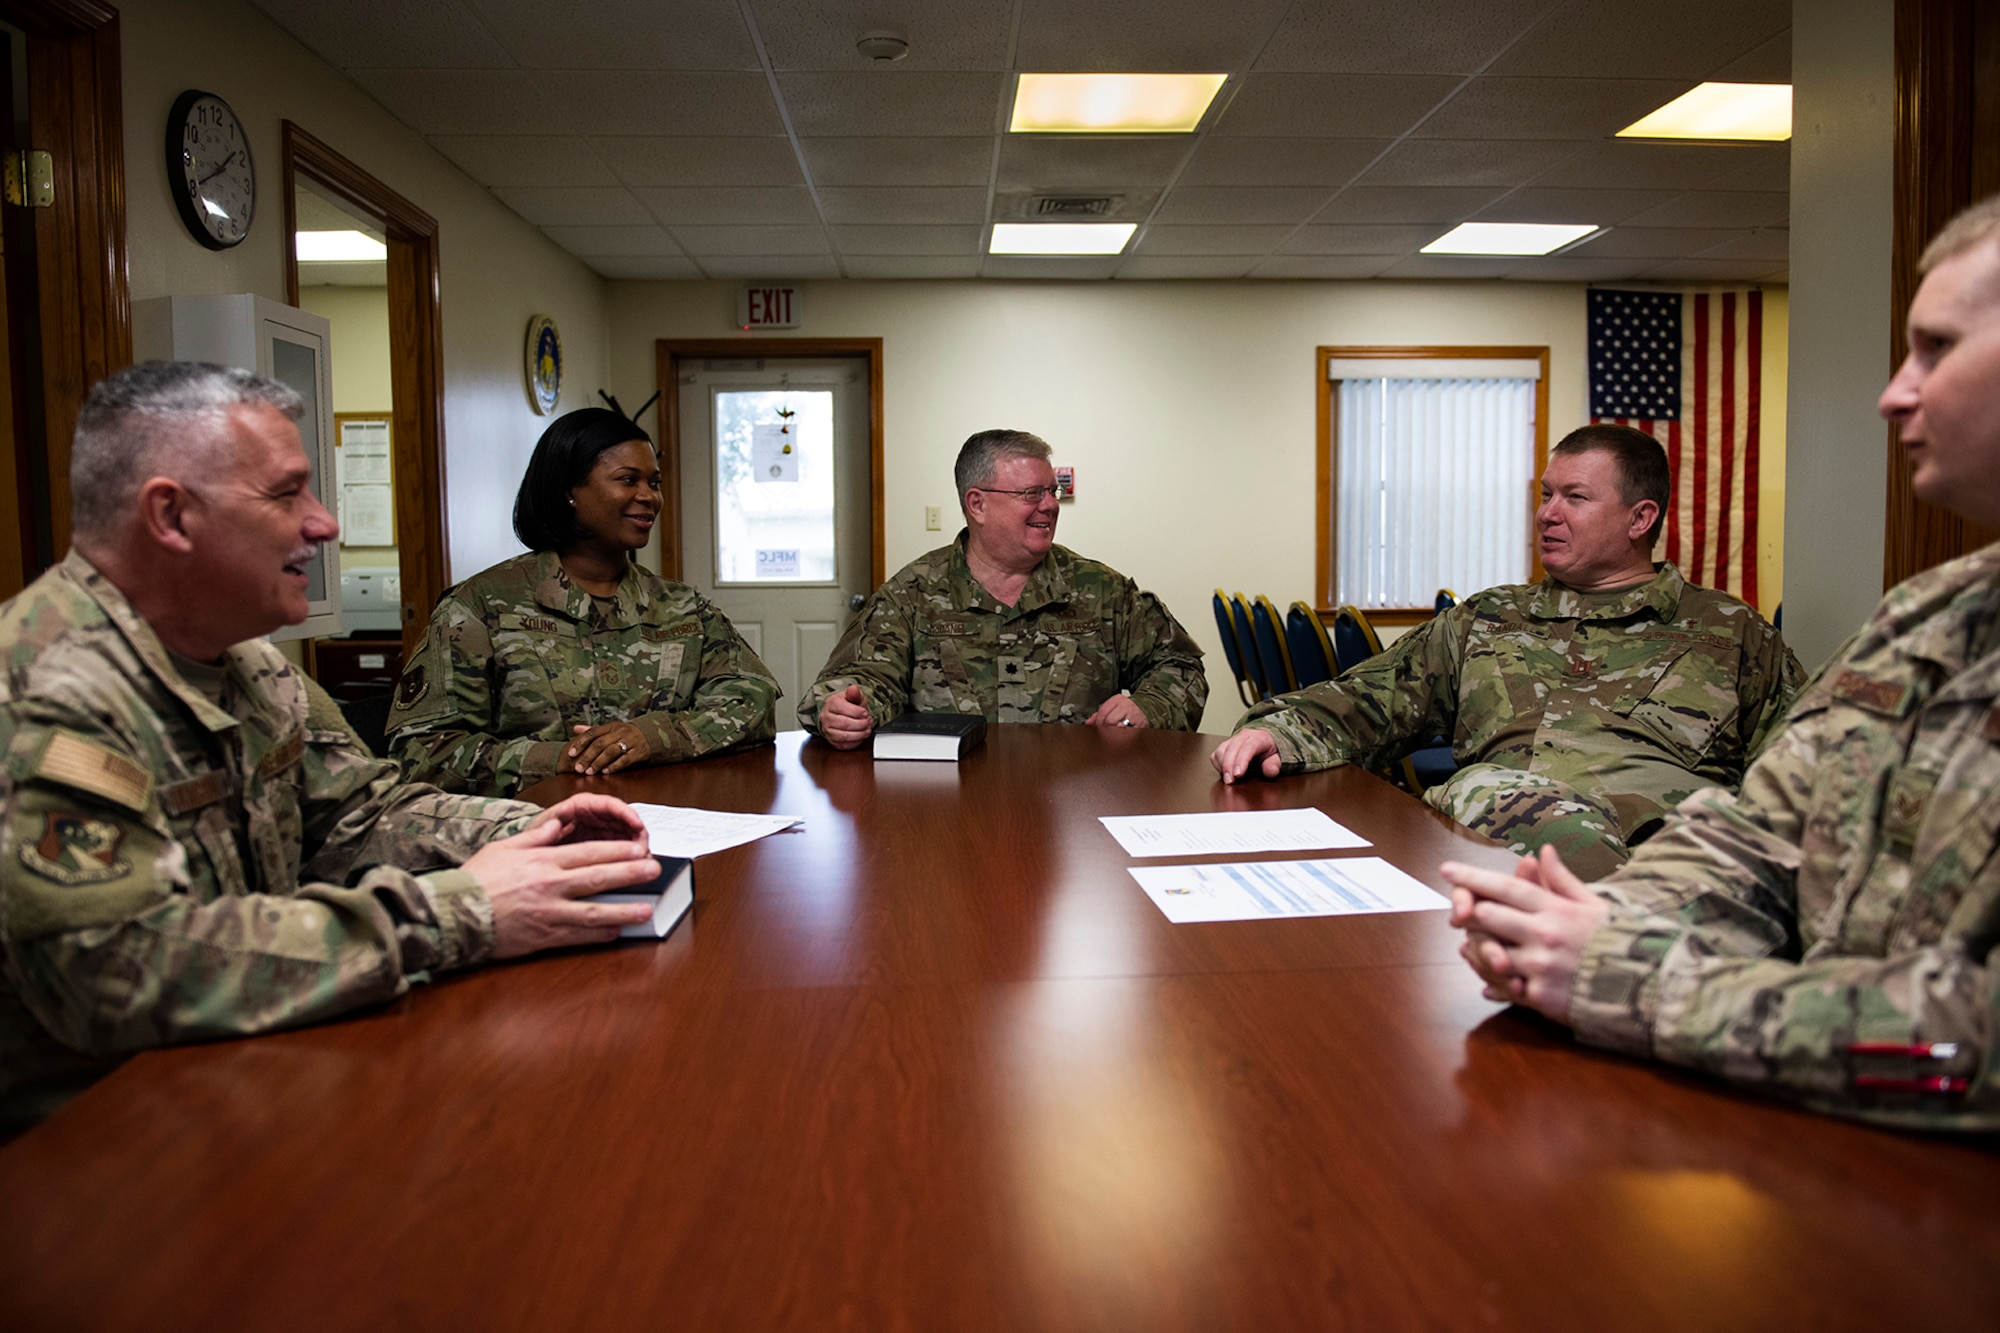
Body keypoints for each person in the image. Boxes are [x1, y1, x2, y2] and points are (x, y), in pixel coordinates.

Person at [1442, 195, 2000, 1130]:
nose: (1894, 392)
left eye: (1937, 349)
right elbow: (1765, 830)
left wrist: (1641, 982)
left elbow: (1971, 1051)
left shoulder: (1732, 626)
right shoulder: (1932, 616)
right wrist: (1596, 924)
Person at [0, 363, 662, 1131]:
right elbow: (118, 971)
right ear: (171, 516)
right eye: (287, 494)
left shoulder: (249, 666)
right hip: (96, 1154)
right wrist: (461, 911)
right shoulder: (49, 695)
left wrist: (528, 832)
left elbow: (363, 810)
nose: (324, 523)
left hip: (247, 1085)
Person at [1211, 424, 1803, 878]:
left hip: (1662, 875)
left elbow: (1805, 775)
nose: (1547, 513)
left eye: (1575, 497)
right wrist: (1281, 732)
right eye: (1547, 494)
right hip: (1497, 844)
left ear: (1640, 518)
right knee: (1484, 799)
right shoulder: (1489, 620)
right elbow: (1372, 696)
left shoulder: (1731, 635)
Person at [387, 408, 779, 796]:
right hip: (531, 833)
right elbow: (423, 754)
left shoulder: (682, 607)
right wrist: (562, 758)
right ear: (568, 491)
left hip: (670, 820)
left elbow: (753, 702)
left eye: (654, 482)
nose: (649, 497)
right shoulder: (481, 606)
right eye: (628, 480)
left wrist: (652, 737)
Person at [798, 429, 1208, 747]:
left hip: (1076, 806)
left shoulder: (1101, 591)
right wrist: (845, 711)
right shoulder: (913, 594)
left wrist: (1148, 706)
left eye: (1053, 491)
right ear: (977, 504)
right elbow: (857, 680)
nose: (1049, 505)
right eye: (1032, 493)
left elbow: (1180, 666)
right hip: (945, 810)